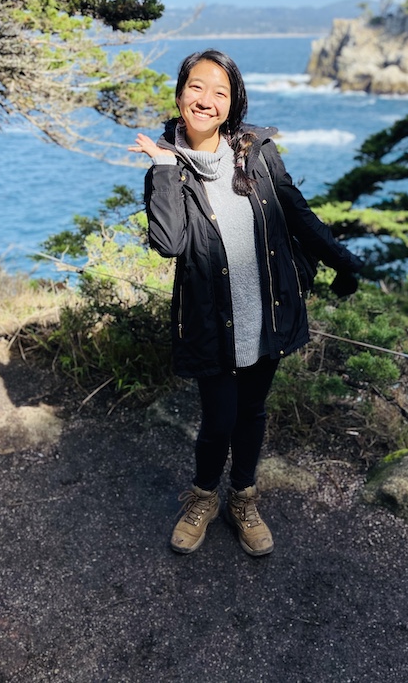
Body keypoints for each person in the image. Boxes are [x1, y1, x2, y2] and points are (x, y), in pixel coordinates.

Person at [128, 49, 362, 557]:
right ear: (179, 94)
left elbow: (296, 212)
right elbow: (169, 242)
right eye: (196, 87)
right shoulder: (168, 169)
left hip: (267, 311)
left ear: (233, 103)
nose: (205, 100)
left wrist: (344, 261)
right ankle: (203, 497)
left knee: (252, 412)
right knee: (218, 420)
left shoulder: (257, 153)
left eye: (220, 92)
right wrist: (164, 167)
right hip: (212, 320)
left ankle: (244, 498)